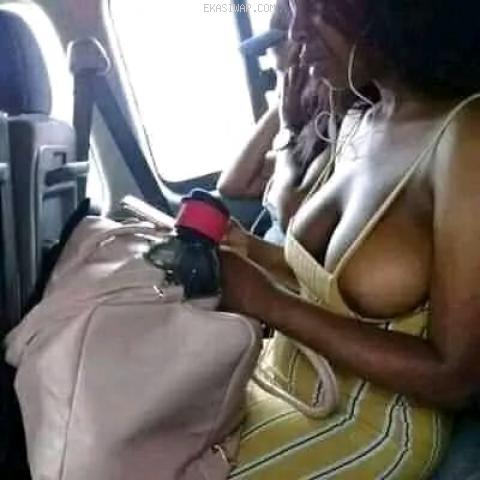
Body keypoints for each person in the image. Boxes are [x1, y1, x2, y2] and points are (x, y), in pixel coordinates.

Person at [219, 0, 480, 478]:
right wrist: (247, 250)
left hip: (366, 427)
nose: (297, 33)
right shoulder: (359, 119)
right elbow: (326, 285)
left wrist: (266, 303)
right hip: (278, 383)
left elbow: (455, 376)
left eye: (316, 8)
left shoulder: (465, 136)